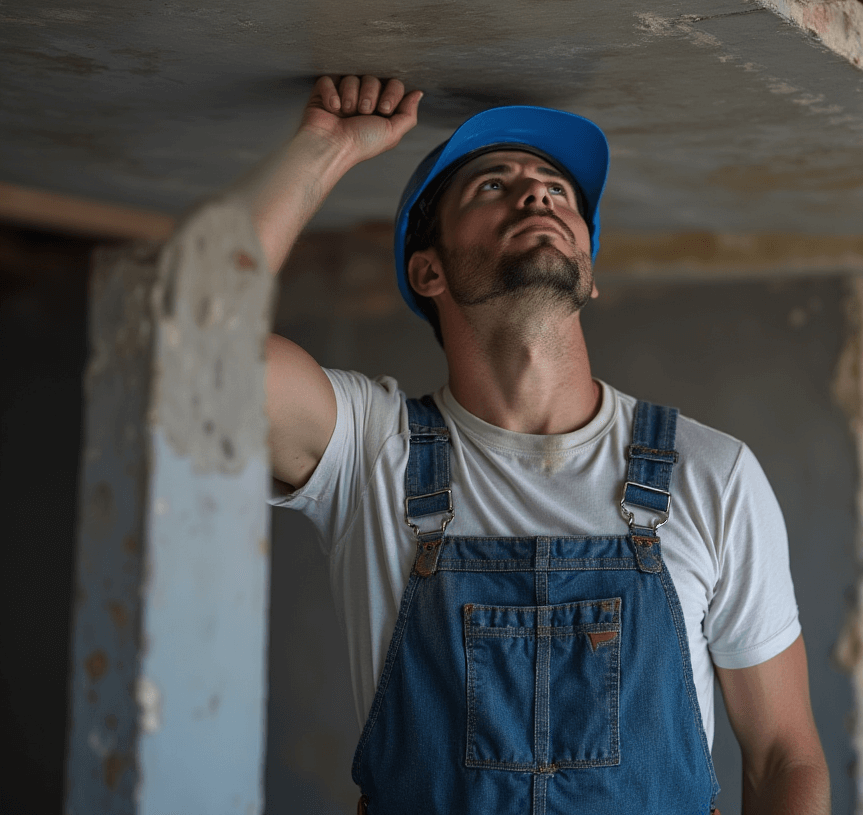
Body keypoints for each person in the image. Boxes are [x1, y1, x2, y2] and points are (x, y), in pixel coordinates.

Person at [256, 74, 831, 814]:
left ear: (589, 269)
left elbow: (786, 755)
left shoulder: (711, 473)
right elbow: (206, 336)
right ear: (426, 270)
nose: (535, 195)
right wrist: (322, 150)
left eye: (558, 191)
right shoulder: (371, 450)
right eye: (492, 184)